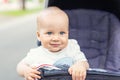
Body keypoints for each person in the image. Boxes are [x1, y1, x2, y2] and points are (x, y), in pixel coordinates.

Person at [16, 6, 89, 80]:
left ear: (68, 33)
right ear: (39, 35)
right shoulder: (36, 53)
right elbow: (20, 66)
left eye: (62, 33)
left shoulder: (72, 47)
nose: (56, 38)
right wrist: (26, 71)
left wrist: (80, 65)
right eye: (49, 33)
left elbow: (84, 62)